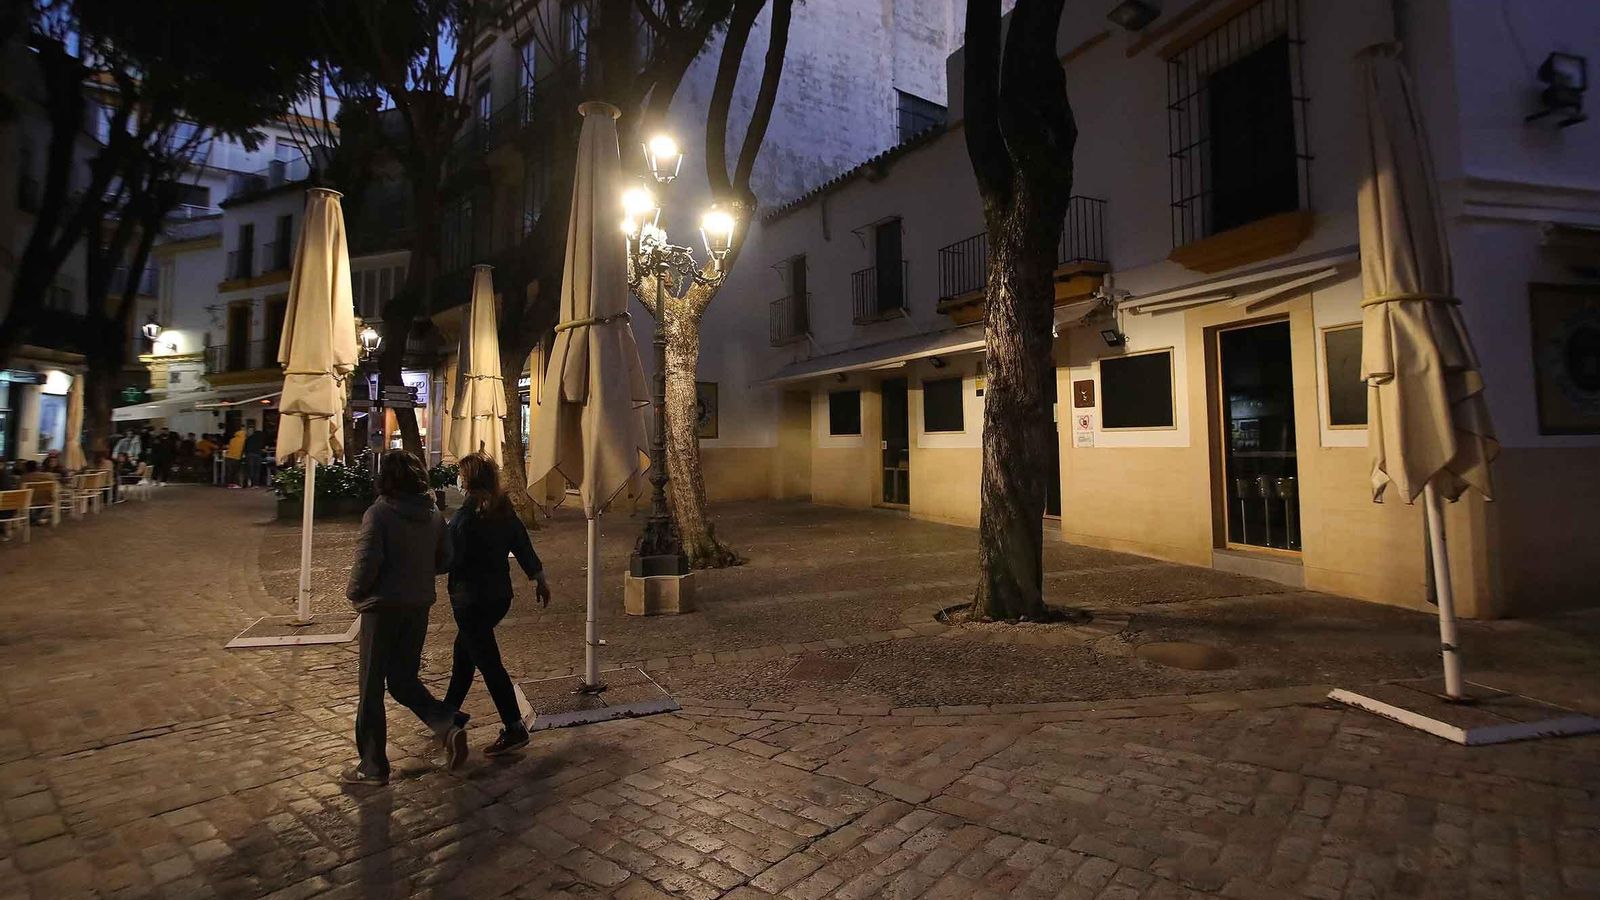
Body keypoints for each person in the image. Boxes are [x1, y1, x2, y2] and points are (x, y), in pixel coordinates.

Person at [343, 449, 466, 786]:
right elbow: (445, 560)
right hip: (418, 606)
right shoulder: (433, 515)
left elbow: (367, 560)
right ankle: (447, 724)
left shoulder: (379, 513)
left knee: (371, 687)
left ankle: (372, 766)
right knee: (402, 680)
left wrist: (355, 592)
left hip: (382, 609)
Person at [443, 453, 550, 756]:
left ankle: (514, 727)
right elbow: (522, 543)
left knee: (488, 663)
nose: (459, 481)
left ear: (469, 480)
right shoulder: (503, 510)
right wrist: (539, 578)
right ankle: (445, 715)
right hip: (498, 597)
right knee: (464, 655)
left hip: (470, 601)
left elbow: (450, 559)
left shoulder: (465, 518)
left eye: (461, 476)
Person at [243, 423, 267, 488]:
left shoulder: (249, 439)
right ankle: (255, 484)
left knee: (250, 470)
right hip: (258, 455)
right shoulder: (261, 439)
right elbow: (263, 448)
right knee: (257, 470)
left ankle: (249, 483)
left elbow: (245, 447)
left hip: (249, 455)